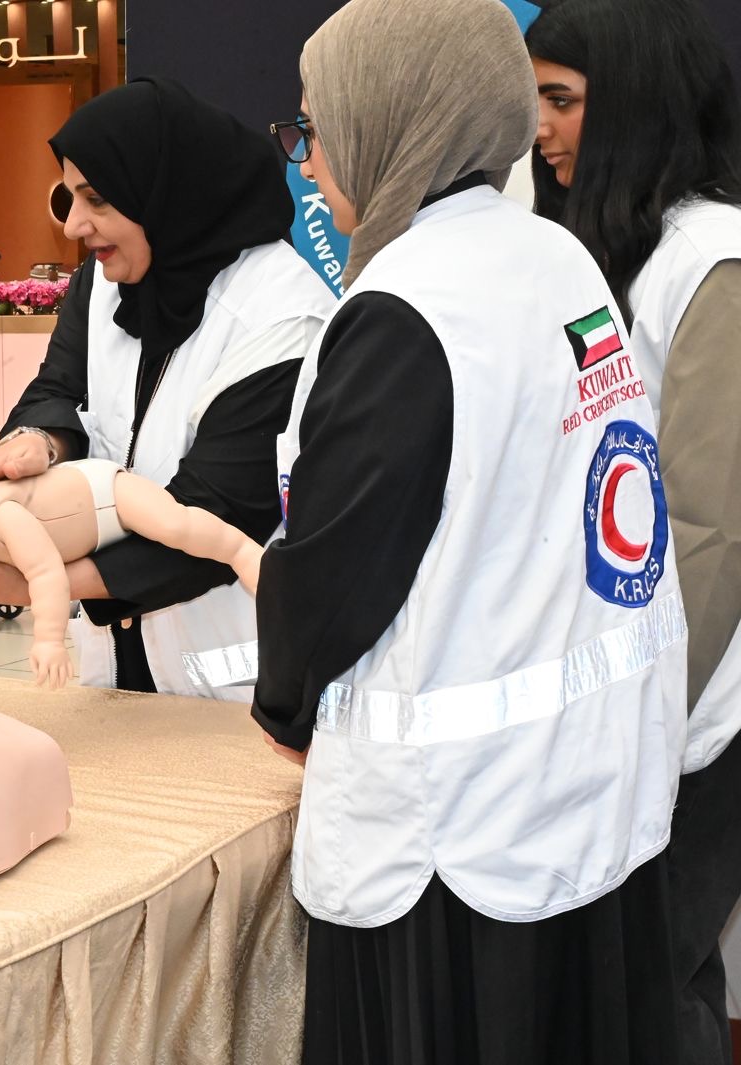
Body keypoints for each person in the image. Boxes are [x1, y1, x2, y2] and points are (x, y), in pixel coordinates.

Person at [253, 0, 687, 1060]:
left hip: (448, 855)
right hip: (583, 799)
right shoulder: (554, 260)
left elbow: (339, 574)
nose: (305, 162)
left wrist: (281, 698)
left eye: (316, 128)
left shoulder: (408, 307)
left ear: (393, 121)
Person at [0, 78, 335, 699]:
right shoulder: (102, 285)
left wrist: (42, 580)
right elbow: (57, 388)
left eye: (98, 199)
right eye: (70, 197)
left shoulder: (279, 314)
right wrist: (36, 442)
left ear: (167, 191)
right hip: (110, 671)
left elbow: (220, 511)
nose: (74, 225)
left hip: (232, 690)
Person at [528, 2, 741, 1060]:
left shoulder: (712, 257)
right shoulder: (617, 250)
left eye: (561, 101)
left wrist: (645, 714)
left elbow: (709, 530)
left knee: (655, 981)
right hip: (626, 697)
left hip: (689, 711)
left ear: (637, 106)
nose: (540, 127)